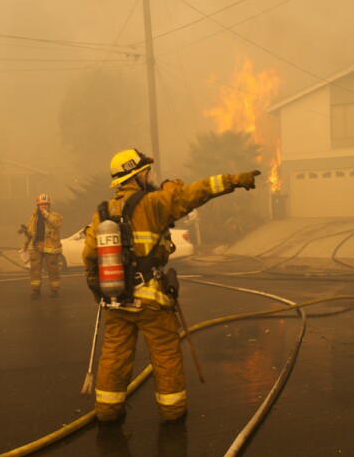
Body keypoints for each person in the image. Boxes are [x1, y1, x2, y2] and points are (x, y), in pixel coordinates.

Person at [82, 148, 260, 423]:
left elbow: (89, 255)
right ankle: (173, 412)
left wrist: (100, 289)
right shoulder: (154, 202)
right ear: (137, 175)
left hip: (115, 299)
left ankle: (107, 411)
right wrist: (234, 180)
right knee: (165, 354)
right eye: (146, 172)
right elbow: (194, 193)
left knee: (114, 356)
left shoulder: (102, 212)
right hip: (151, 298)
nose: (149, 176)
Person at [24, 193, 63, 299]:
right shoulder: (34, 217)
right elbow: (31, 232)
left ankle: (54, 290)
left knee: (53, 268)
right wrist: (25, 241)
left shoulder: (54, 215)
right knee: (35, 269)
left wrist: (47, 215)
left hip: (51, 246)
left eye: (45, 204)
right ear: (37, 205)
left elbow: (57, 224)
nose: (43, 206)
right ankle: (35, 290)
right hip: (36, 246)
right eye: (41, 204)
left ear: (49, 205)